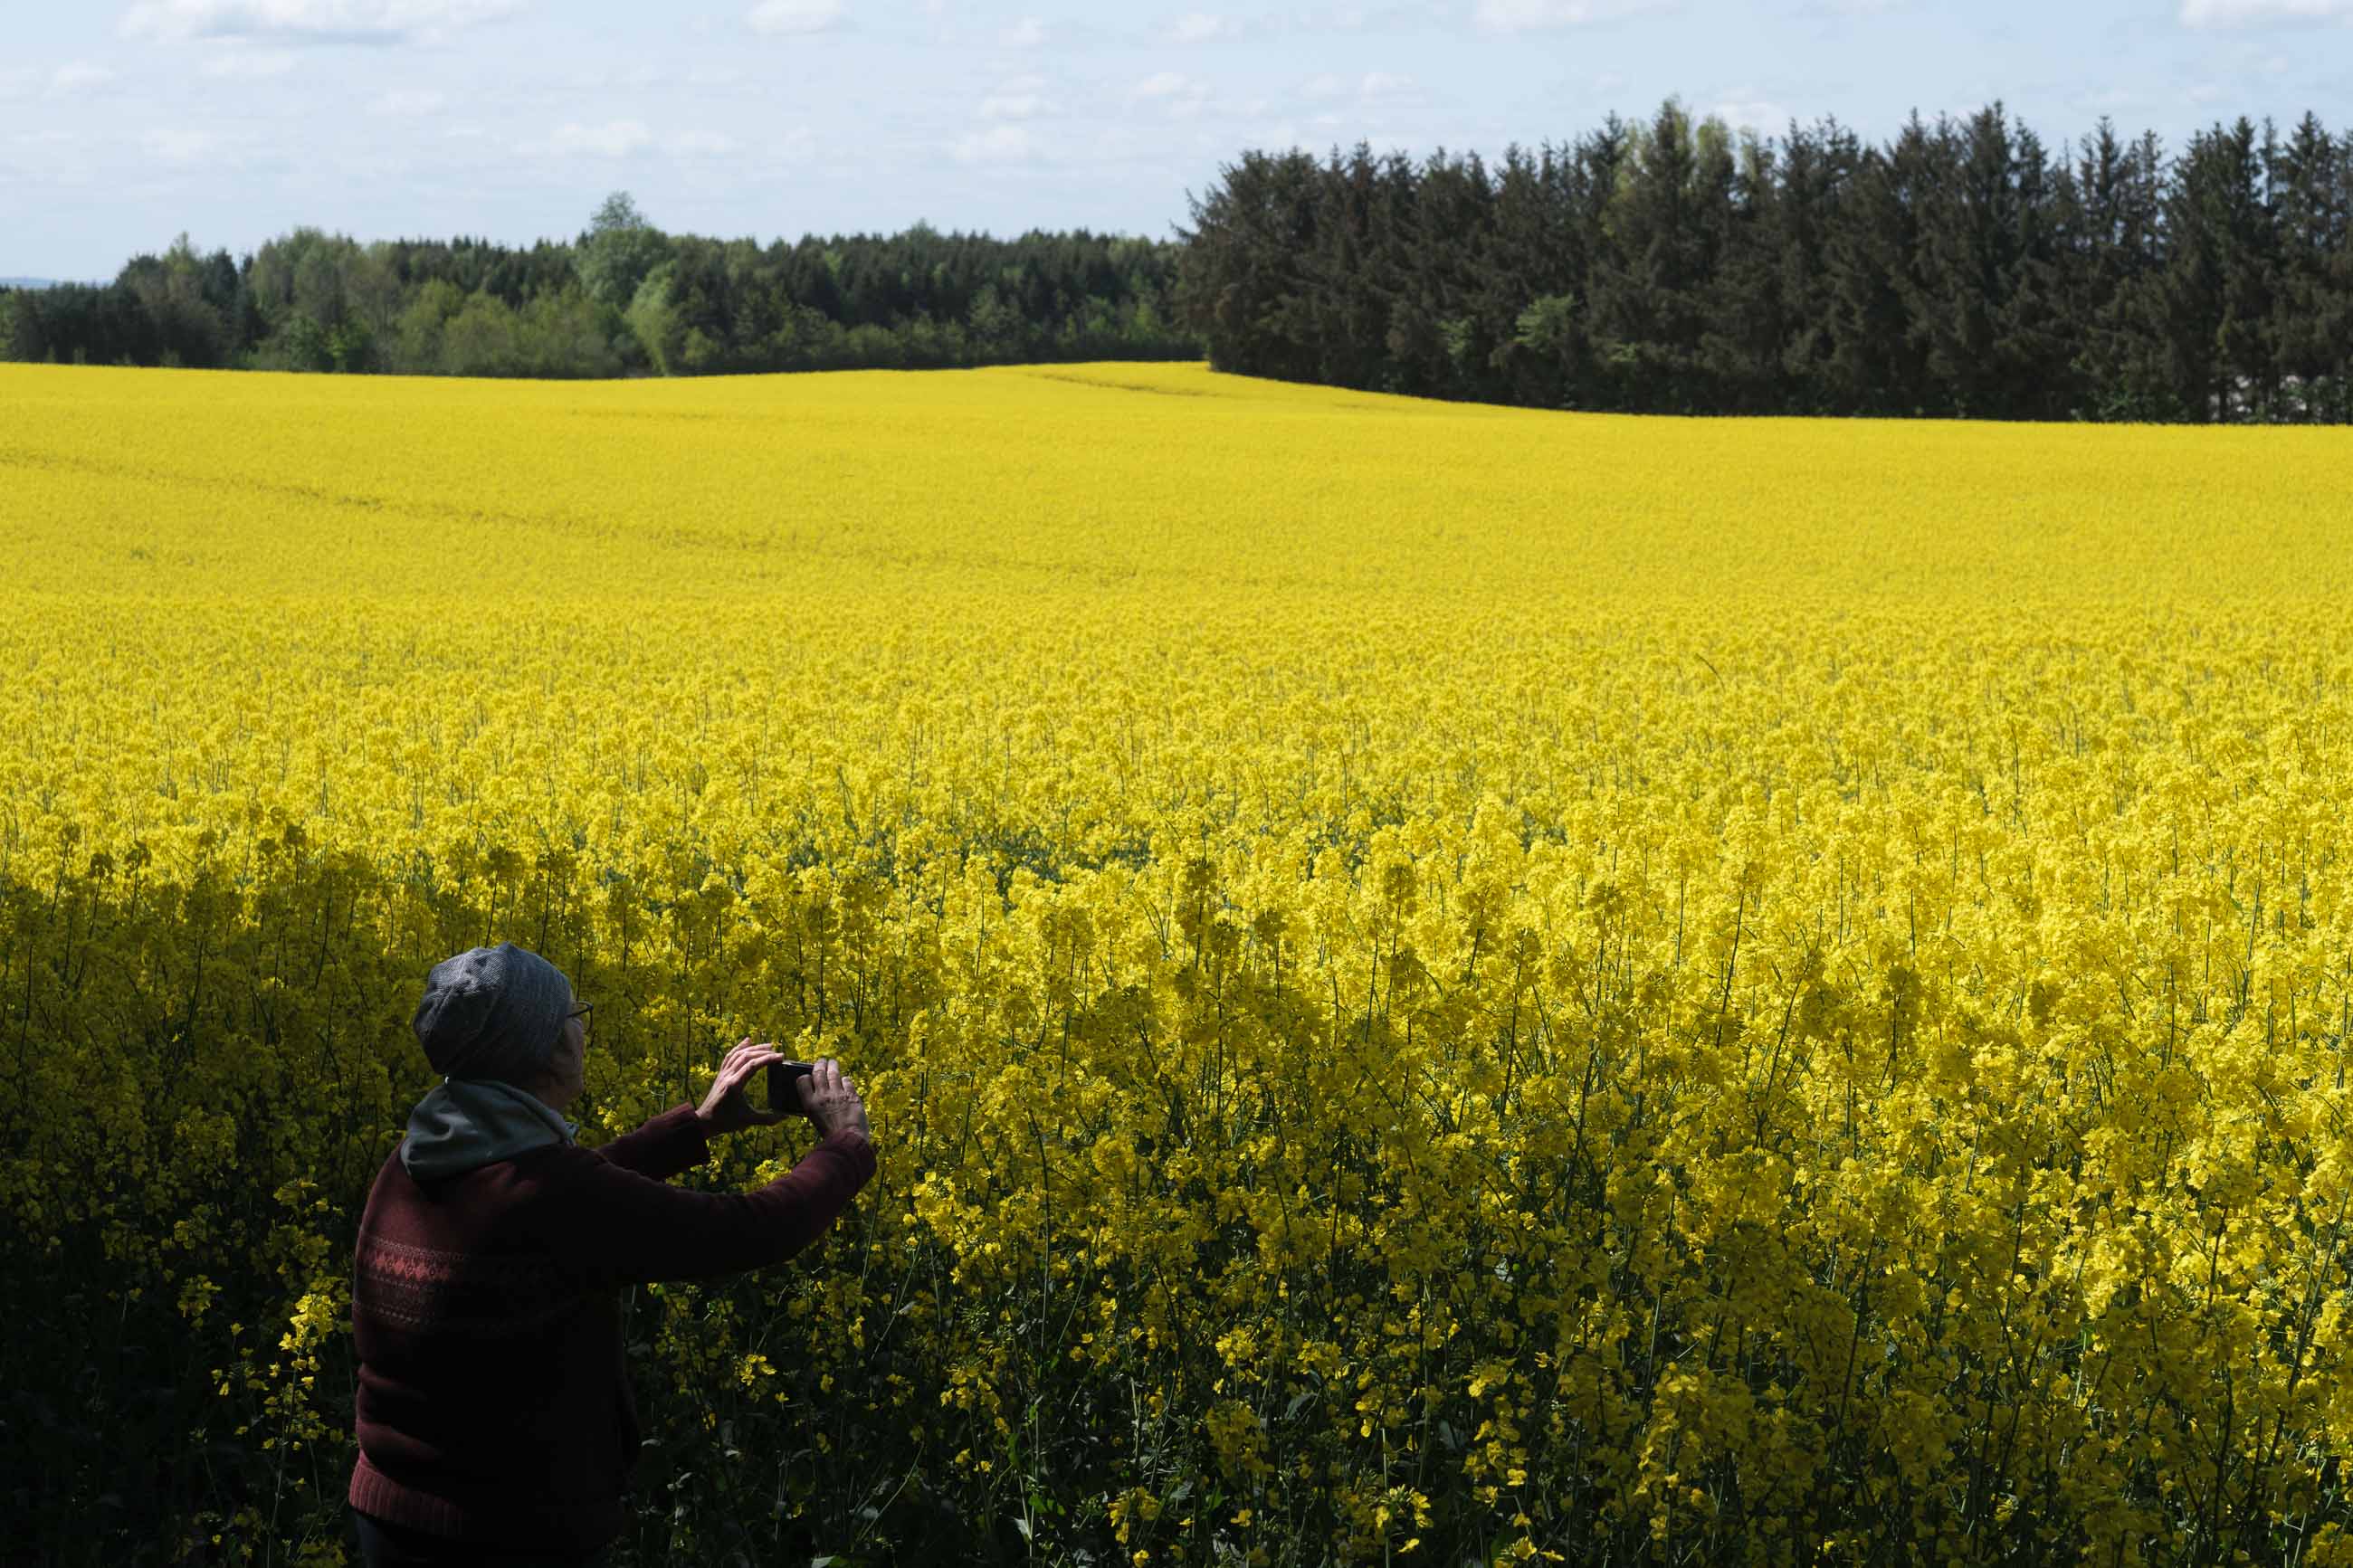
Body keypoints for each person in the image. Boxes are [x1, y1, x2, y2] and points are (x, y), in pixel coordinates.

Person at [347, 941, 874, 1567]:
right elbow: (750, 1229)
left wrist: (699, 1125)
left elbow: (555, 1198)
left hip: (390, 1515)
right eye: (575, 1016)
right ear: (547, 1048)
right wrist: (845, 1146)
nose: (584, 1031)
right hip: (510, 1532)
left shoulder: (415, 1161)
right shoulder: (557, 1199)